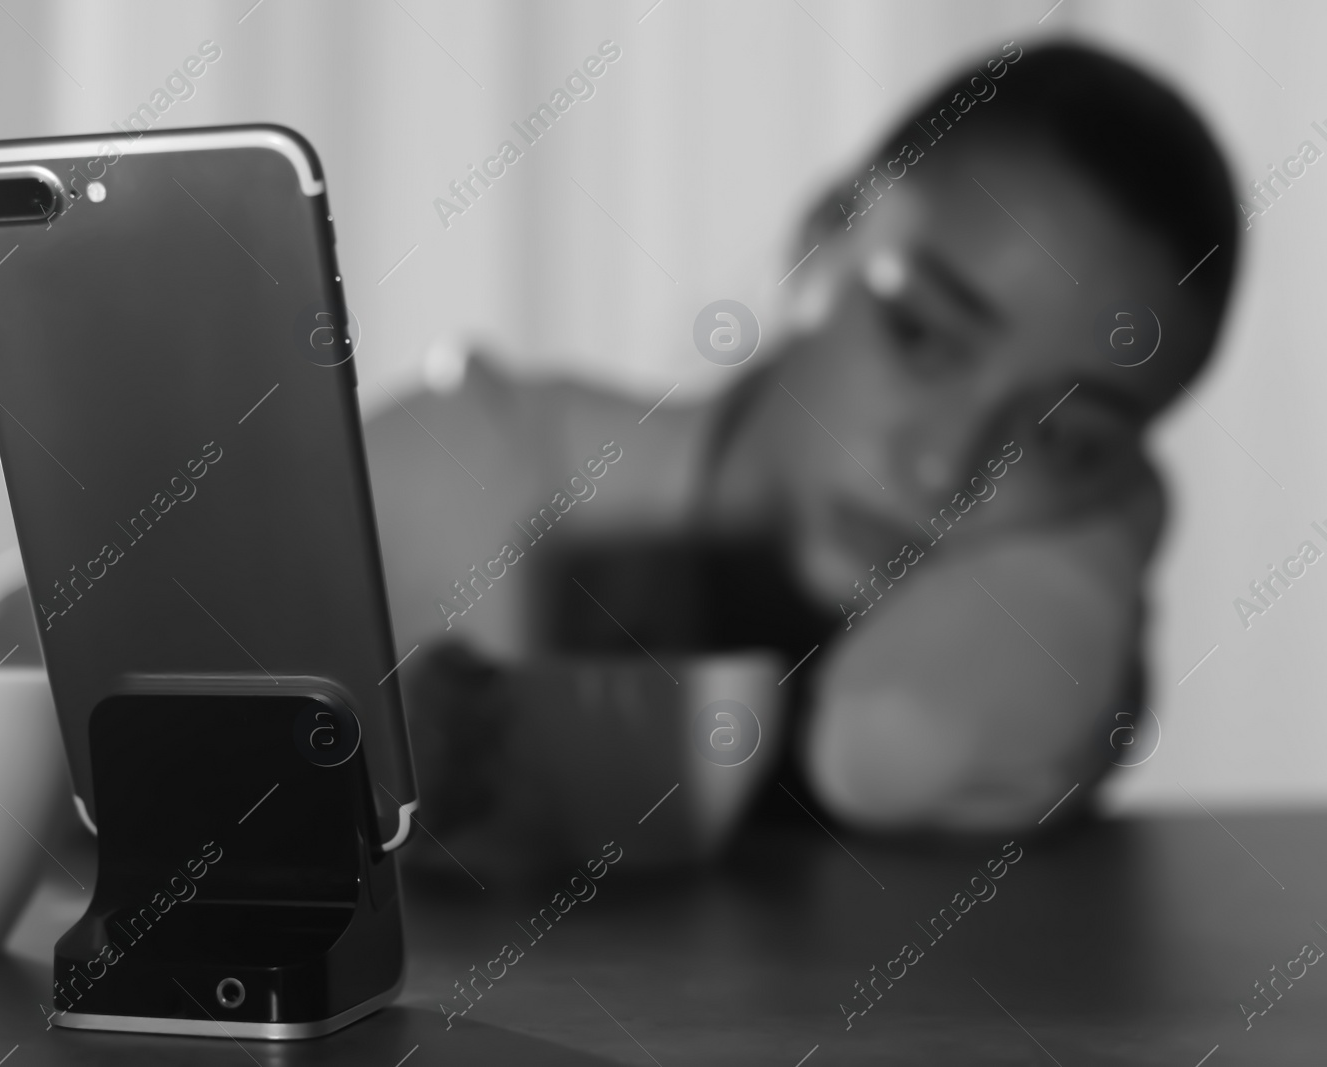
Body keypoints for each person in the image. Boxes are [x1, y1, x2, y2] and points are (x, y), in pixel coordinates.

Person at [364, 41, 1240, 843]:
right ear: (821, 244)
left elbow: (899, 738)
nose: (943, 468)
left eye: (1063, 439)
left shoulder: (1028, 635)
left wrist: (1104, 547)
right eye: (922, 336)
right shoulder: (452, 485)